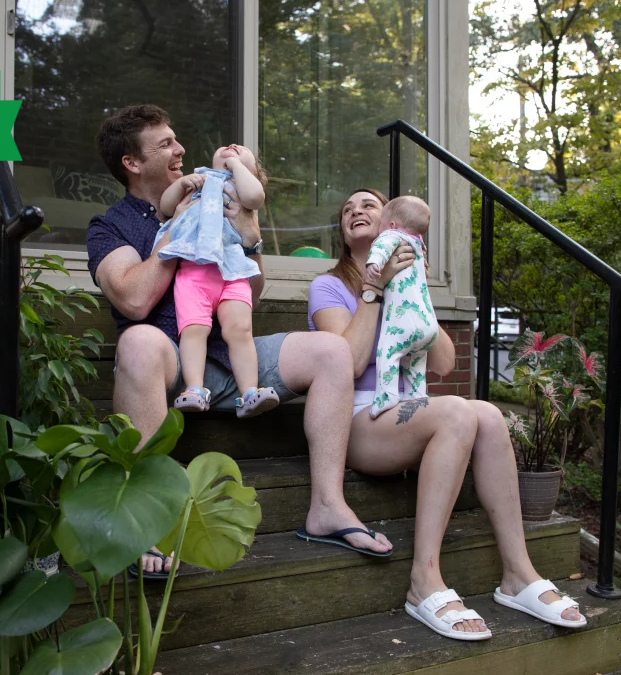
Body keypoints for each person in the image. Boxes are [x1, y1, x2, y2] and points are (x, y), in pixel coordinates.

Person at [86, 105, 393, 578]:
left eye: (176, 139)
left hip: (231, 354)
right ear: (131, 162)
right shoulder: (110, 227)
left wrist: (249, 241)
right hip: (168, 362)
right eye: (165, 143)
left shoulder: (214, 194)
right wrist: (179, 232)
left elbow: (251, 291)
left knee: (331, 350)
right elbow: (132, 299)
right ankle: (143, 520)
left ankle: (328, 507)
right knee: (139, 342)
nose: (180, 149)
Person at [307, 188, 587, 641]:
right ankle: (424, 579)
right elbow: (351, 362)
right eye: (347, 209)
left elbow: (442, 363)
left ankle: (519, 573)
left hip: (405, 410)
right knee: (457, 412)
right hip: (356, 418)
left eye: (368, 206)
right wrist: (375, 289)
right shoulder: (328, 286)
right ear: (343, 230)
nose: (356, 211)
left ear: (395, 224)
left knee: (490, 416)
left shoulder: (411, 275)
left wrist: (414, 288)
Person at [156, 144, 279, 418]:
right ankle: (195, 389)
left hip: (232, 273)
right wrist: (182, 185)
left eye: (243, 151)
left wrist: (236, 167)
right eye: (228, 148)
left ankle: (249, 392)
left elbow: (256, 196)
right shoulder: (198, 181)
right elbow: (166, 207)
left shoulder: (242, 191)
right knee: (193, 330)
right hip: (194, 271)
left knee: (240, 331)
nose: (233, 147)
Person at [362, 195, 436, 417]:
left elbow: (382, 246)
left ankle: (387, 396)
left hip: (403, 322)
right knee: (415, 363)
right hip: (427, 324)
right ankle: (417, 396)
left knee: (389, 353)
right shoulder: (418, 245)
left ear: (392, 225)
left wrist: (374, 263)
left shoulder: (391, 235)